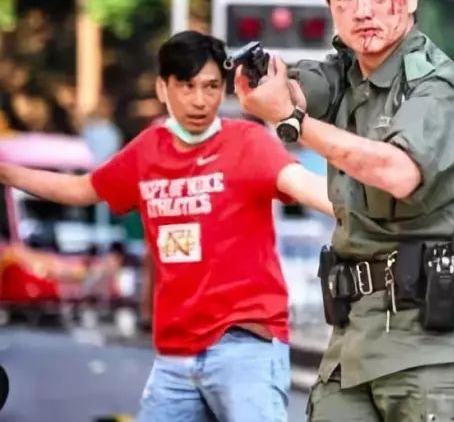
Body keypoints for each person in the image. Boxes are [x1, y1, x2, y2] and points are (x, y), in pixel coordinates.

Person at [235, 0, 454, 421]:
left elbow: (397, 172)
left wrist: (292, 122)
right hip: (355, 341)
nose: (362, 11)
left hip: (434, 348)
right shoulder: (346, 74)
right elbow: (299, 87)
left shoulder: (440, 88)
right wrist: (265, 85)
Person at [0, 30, 334, 422]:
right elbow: (79, 188)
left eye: (211, 87)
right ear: (163, 88)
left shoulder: (247, 142)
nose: (199, 100)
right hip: (176, 355)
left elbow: (308, 187)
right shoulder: (147, 149)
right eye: (187, 86)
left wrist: (364, 208)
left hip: (245, 345)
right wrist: (6, 172)